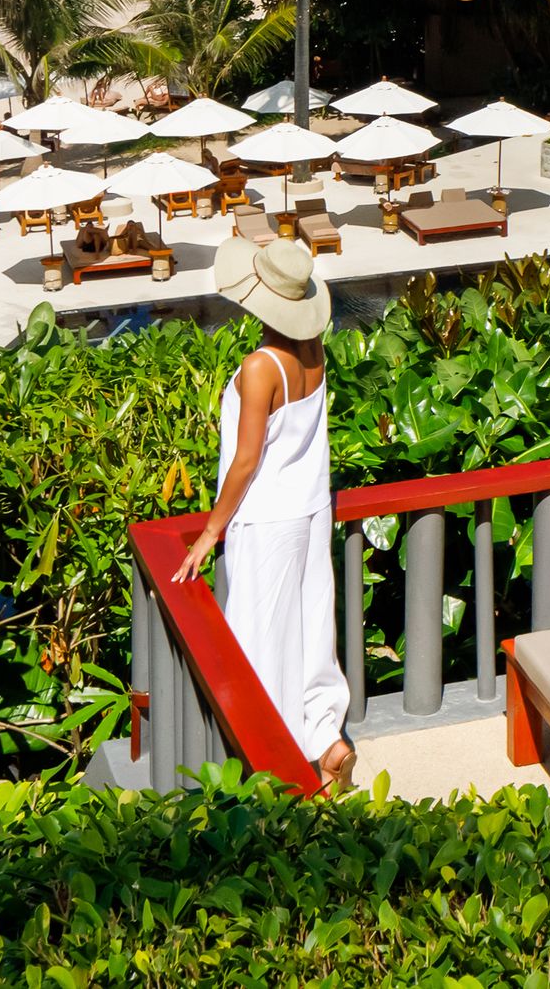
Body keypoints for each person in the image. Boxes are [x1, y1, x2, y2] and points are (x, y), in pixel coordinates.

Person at [181, 237, 354, 786]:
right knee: (309, 628)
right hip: (310, 509)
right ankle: (326, 738)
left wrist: (211, 531)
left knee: (259, 641)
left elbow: (244, 462)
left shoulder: (260, 367)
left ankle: (274, 765)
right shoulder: (314, 350)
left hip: (267, 518)